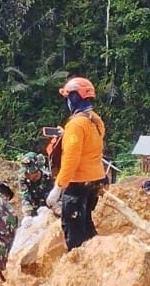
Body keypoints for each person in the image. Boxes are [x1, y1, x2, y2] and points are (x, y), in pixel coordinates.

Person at [47, 76, 106, 251]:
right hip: (94, 180)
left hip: (78, 183)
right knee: (86, 222)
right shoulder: (94, 120)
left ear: (74, 97)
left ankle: (79, 266)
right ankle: (96, 256)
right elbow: (89, 147)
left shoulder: (76, 125)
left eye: (68, 97)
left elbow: (71, 159)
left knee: (74, 230)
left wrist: (58, 188)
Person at [18, 151, 54, 217]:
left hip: (49, 209)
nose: (28, 176)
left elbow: (53, 197)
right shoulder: (23, 179)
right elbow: (24, 196)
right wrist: (27, 214)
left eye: (29, 174)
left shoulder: (47, 177)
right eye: (26, 174)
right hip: (33, 209)